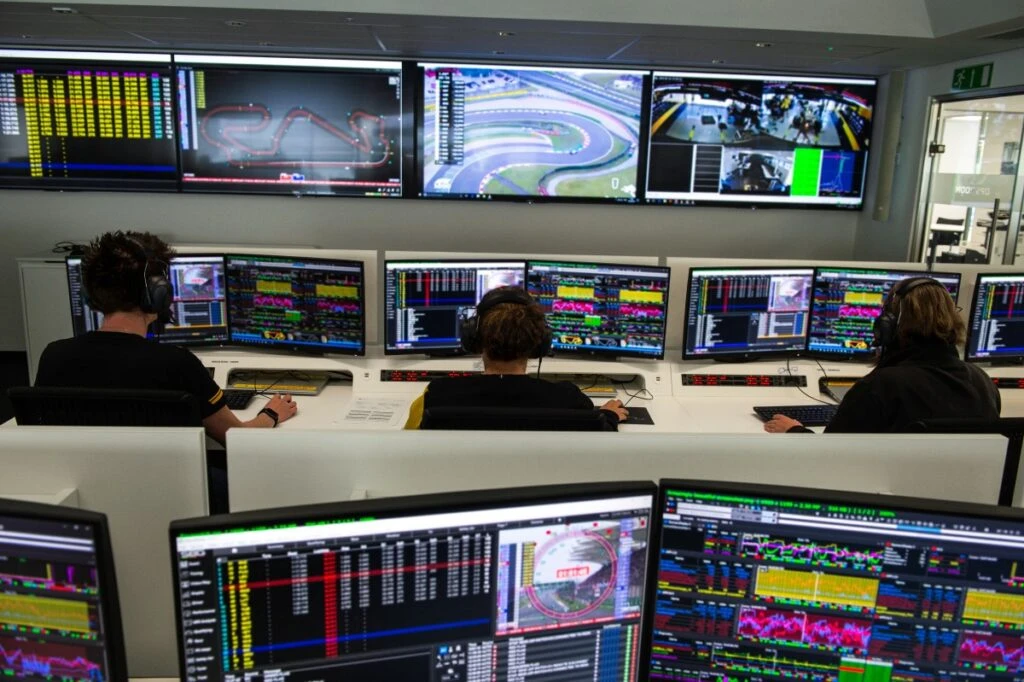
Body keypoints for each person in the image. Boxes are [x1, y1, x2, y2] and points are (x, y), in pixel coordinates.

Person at [34, 231, 297, 444]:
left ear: (91, 296)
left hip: (81, 495)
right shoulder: (176, 364)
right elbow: (236, 439)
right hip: (173, 495)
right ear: (158, 295)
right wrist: (271, 414)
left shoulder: (54, 356)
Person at [764, 277, 1000, 434]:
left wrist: (794, 430)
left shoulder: (881, 386)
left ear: (888, 327)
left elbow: (831, 454)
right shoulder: (981, 381)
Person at [404, 286, 628, 429]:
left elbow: (406, 445)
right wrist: (609, 415)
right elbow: (598, 434)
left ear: (474, 338)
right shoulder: (569, 399)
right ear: (539, 343)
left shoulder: (436, 394)